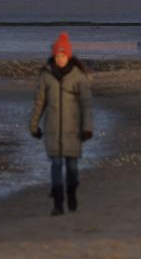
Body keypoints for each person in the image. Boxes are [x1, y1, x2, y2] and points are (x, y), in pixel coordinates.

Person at [29, 32, 94, 216]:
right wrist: (33, 126)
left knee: (72, 168)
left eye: (63, 55)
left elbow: (86, 105)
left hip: (73, 131)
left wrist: (87, 127)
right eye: (57, 55)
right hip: (53, 130)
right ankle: (58, 203)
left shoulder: (78, 77)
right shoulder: (46, 76)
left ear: (69, 56)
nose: (60, 59)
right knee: (56, 165)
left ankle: (71, 192)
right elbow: (39, 103)